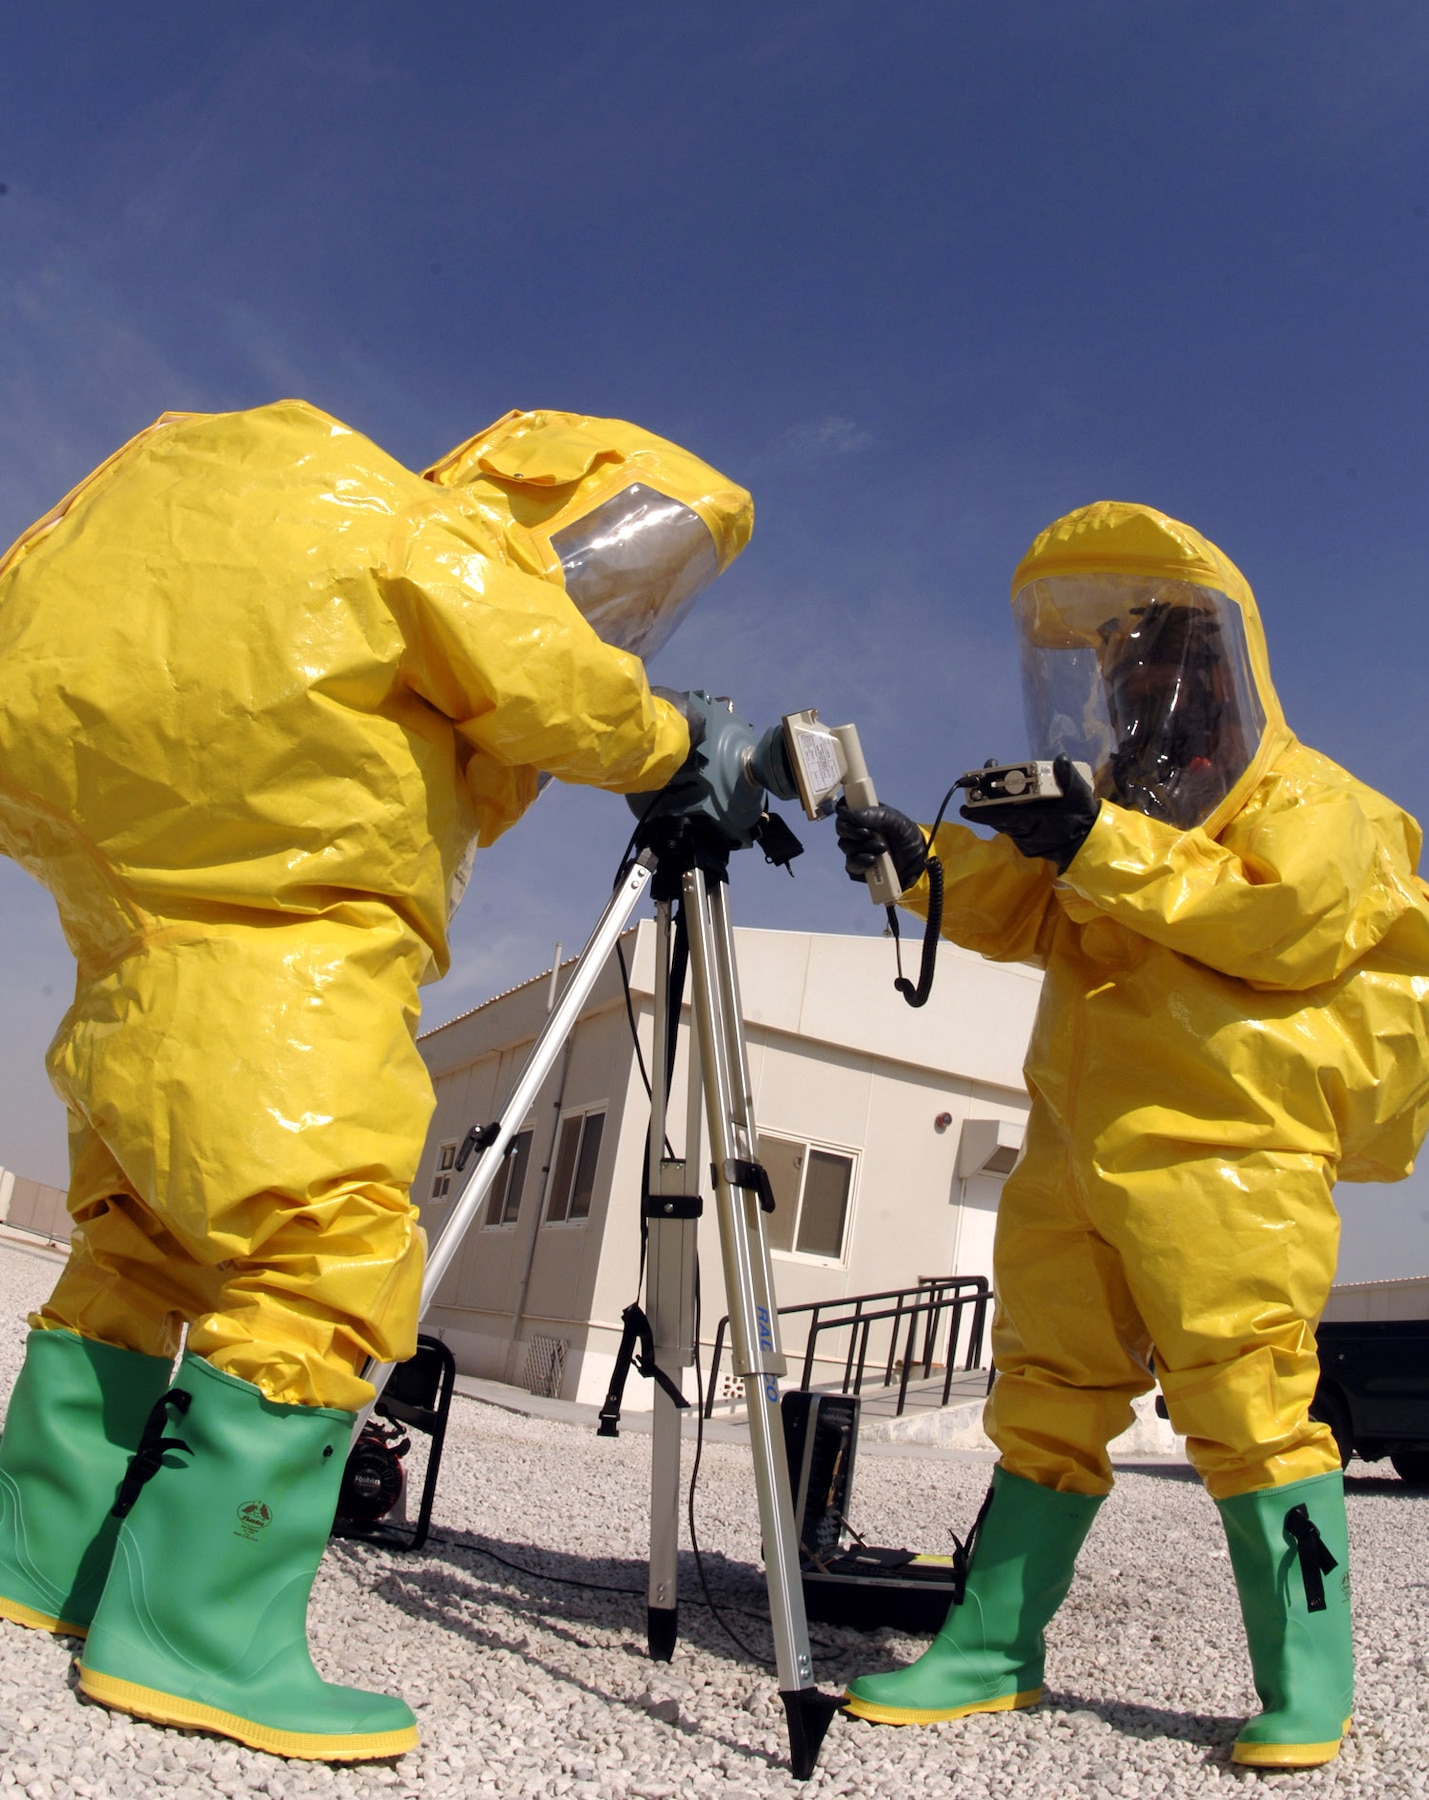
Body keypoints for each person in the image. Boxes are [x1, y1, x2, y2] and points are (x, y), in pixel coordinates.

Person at [0, 399, 751, 1762]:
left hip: (128, 963)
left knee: (141, 1250)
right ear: (549, 496)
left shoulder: (292, 518)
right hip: (288, 972)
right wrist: (669, 747)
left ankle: (42, 1557)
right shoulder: (440, 545)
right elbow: (554, 683)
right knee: (325, 1263)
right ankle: (198, 1634)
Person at [835, 499, 1429, 1770]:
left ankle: (1307, 1679)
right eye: (1123, 674)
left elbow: (1279, 923)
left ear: (1224, 670)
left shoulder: (1321, 803)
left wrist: (1094, 839)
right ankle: (992, 1649)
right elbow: (1024, 902)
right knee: (1044, 1392)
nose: (1142, 696)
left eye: (1166, 668)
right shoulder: (1113, 813)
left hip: (1235, 1152)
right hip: (1072, 1145)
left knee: (1251, 1404)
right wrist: (915, 858)